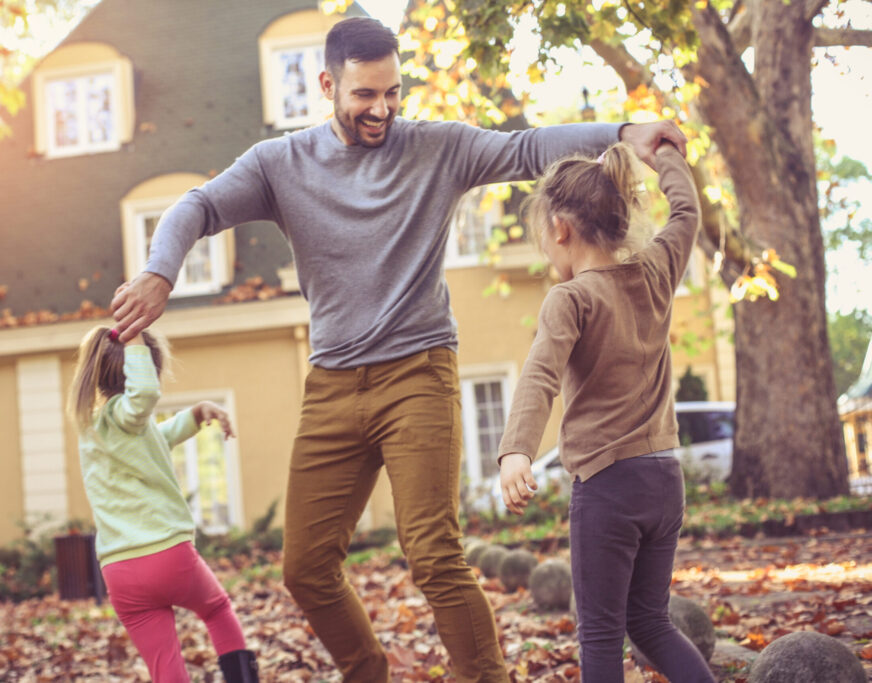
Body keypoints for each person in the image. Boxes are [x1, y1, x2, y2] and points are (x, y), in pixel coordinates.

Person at [110, 16, 687, 683]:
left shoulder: (435, 149)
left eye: (392, 92)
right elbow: (197, 206)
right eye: (364, 95)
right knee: (305, 566)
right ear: (327, 85)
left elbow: (529, 148)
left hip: (419, 371)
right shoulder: (280, 165)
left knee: (434, 553)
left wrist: (624, 133)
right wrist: (160, 270)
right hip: (331, 383)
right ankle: (366, 671)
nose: (381, 109)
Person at [496, 141, 716, 683]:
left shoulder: (570, 299)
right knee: (650, 621)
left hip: (607, 486)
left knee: (599, 635)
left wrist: (516, 450)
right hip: (664, 478)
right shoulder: (657, 270)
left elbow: (541, 373)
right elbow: (687, 211)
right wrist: (665, 154)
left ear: (560, 228)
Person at [67, 325, 259, 683]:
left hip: (119, 570)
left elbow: (158, 437)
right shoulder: (127, 413)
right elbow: (143, 395)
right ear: (141, 370)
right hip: (166, 553)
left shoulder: (94, 428)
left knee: (164, 663)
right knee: (217, 610)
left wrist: (197, 414)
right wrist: (135, 337)